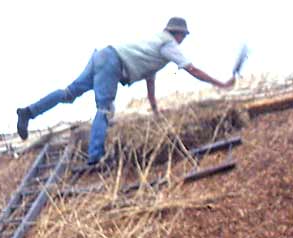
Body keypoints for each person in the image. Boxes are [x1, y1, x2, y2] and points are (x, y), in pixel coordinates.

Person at [15, 17, 236, 165]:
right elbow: (192, 69)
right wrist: (220, 84)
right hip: (113, 63)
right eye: (184, 35)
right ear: (178, 34)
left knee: (69, 93)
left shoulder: (154, 45)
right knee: (104, 108)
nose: (184, 39)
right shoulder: (169, 45)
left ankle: (29, 112)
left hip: (101, 55)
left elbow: (150, 80)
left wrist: (154, 109)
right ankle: (95, 155)